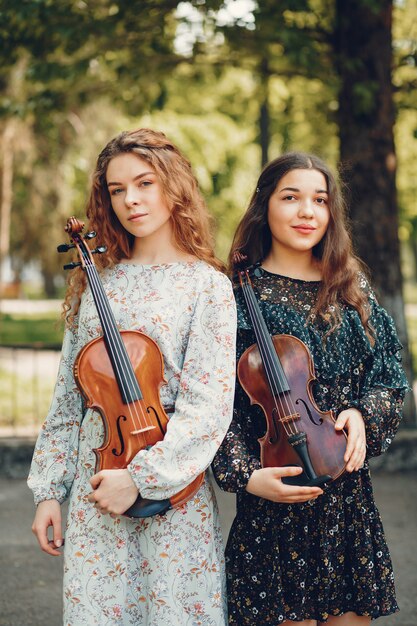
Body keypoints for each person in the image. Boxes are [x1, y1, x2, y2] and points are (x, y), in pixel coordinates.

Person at [28, 128, 237, 625]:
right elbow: (68, 401)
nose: (131, 200)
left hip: (172, 493)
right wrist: (49, 492)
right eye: (116, 190)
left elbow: (208, 407)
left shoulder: (206, 286)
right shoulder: (100, 282)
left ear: (174, 186)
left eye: (143, 183)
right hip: (96, 487)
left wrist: (142, 479)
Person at [212, 151, 410, 625]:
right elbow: (212, 402)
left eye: (319, 200)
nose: (307, 211)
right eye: (291, 197)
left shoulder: (348, 284)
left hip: (347, 504)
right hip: (273, 504)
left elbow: (387, 371)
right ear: (265, 205)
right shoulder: (236, 295)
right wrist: (246, 476)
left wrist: (364, 413)